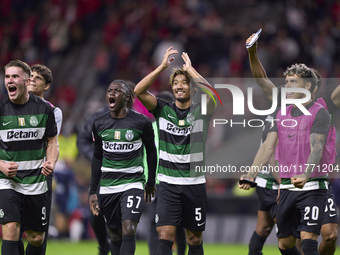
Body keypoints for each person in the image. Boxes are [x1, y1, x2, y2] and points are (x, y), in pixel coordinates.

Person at [245, 32, 339, 255]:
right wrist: (252, 52)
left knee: (330, 235)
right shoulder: (283, 105)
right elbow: (261, 78)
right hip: (291, 183)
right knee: (292, 241)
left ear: (310, 87)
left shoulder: (324, 107)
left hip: (317, 183)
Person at [134, 47, 216, 254]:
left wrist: (191, 71)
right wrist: (161, 67)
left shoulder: (201, 111)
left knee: (194, 239)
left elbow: (213, 95)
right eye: (176, 83)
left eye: (184, 83)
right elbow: (138, 91)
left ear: (193, 88)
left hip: (194, 185)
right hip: (168, 185)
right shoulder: (162, 109)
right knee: (165, 235)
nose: (179, 86)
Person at [89, 80, 157, 255]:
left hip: (132, 183)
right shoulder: (99, 124)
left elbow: (151, 152)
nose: (112, 93)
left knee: (128, 228)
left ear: (127, 98)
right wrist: (93, 191)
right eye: (110, 90)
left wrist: (150, 182)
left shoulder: (142, 122)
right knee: (115, 234)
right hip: (107, 186)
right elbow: (97, 158)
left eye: (117, 90)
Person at [0, 60, 59, 255]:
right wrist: (1, 165)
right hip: (7, 181)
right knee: (10, 230)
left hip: (36, 180)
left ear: (26, 81)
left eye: (15, 76)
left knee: (36, 238)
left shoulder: (44, 109)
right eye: (7, 76)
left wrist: (50, 161)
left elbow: (52, 141)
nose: (10, 80)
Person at [77, 82, 136, 255]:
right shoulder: (99, 117)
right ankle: (103, 244)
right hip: (103, 175)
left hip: (127, 177)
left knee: (123, 221)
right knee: (95, 215)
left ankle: (117, 246)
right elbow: (82, 139)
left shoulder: (137, 119)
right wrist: (96, 157)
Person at [19, 63, 63, 255]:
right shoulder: (11, 107)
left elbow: (50, 142)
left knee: (37, 232)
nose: (32, 80)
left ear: (47, 86)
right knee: (12, 227)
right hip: (14, 171)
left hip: (40, 173)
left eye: (38, 78)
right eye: (30, 76)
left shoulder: (53, 111)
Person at [145, 91, 187, 255]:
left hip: (176, 181)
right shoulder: (147, 128)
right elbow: (143, 157)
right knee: (153, 223)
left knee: (180, 224)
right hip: (154, 183)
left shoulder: (182, 127)